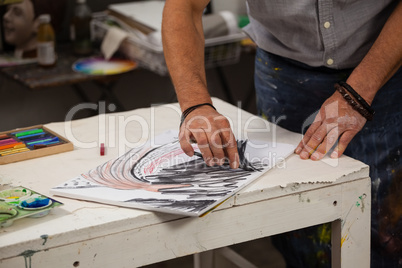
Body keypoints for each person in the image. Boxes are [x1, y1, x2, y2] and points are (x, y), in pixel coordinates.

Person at [161, 0, 401, 267]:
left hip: (385, 70)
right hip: (283, 76)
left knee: (385, 228)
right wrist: (196, 105)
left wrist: (360, 91)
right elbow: (183, 7)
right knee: (298, 227)